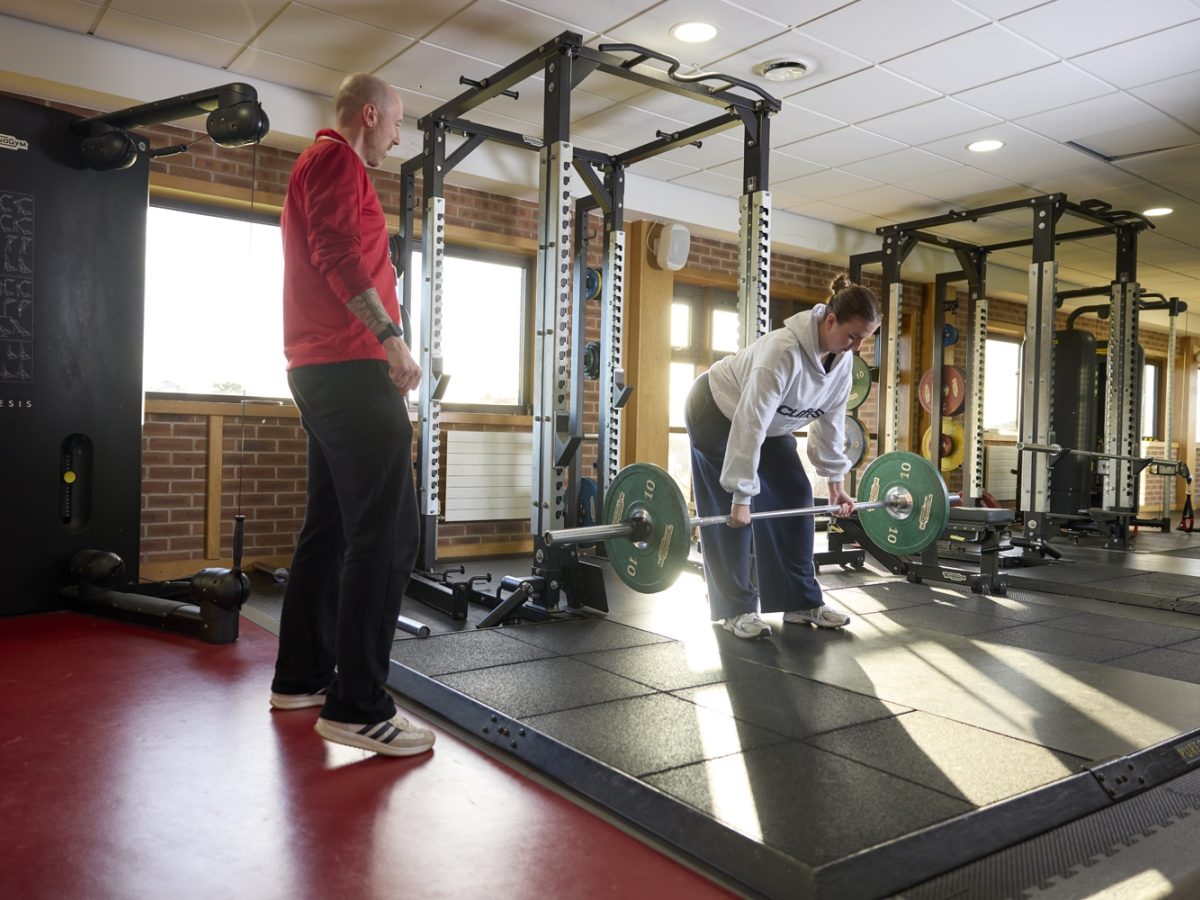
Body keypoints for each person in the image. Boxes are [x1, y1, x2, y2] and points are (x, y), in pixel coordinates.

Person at [269, 73, 435, 757]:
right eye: (397, 123)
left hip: (321, 369)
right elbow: (335, 254)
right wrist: (390, 339)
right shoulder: (336, 159)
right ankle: (359, 705)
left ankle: (302, 678)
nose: (400, 136)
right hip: (349, 366)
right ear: (371, 113)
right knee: (391, 536)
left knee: (332, 527)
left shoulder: (321, 165)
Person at [684, 274, 882, 639]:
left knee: (795, 492)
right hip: (715, 409)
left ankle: (800, 600)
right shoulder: (782, 352)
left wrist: (835, 483)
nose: (856, 346)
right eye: (853, 336)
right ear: (831, 320)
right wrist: (743, 496)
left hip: (768, 425)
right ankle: (735, 609)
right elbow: (749, 423)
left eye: (864, 339)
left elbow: (830, 425)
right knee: (733, 513)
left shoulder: (841, 365)